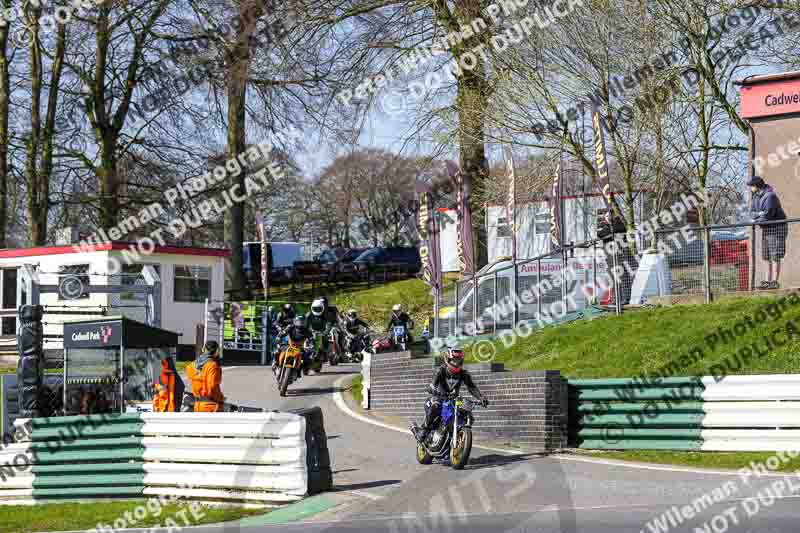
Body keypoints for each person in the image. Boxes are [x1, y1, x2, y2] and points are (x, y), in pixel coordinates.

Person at [412, 348, 489, 442]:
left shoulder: (464, 374)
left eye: (458, 360)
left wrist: (481, 397)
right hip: (439, 398)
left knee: (466, 413)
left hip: (453, 400)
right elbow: (433, 383)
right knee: (436, 405)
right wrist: (432, 388)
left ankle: (455, 435)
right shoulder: (441, 371)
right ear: (448, 359)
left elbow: (471, 387)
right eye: (454, 360)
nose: (456, 363)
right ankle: (423, 430)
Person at [749, 176, 788, 289]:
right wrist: (758, 215)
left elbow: (768, 214)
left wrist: (759, 216)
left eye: (752, 185)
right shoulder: (756, 197)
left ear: (757, 186)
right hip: (766, 228)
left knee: (775, 254)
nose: (750, 188)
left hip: (777, 227)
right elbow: (752, 213)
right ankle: (767, 280)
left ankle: (774, 282)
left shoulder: (770, 196)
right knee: (765, 255)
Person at [186, 340, 225, 412]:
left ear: (203, 349)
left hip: (198, 404)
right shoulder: (213, 366)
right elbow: (212, 386)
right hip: (211, 405)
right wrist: (220, 397)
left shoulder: (191, 366)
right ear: (217, 351)